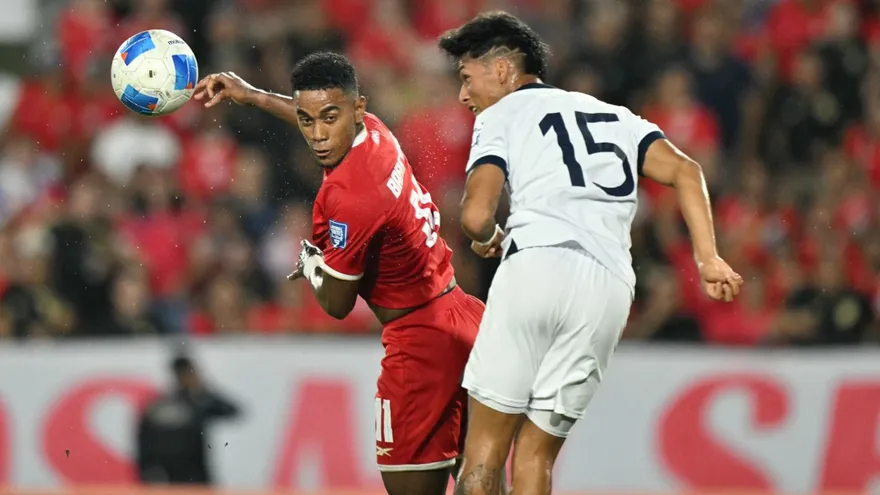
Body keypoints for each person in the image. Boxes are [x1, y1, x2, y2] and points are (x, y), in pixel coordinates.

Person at [437, 11, 745, 495]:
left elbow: (475, 216)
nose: (463, 94)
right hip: (607, 288)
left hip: (536, 266)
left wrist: (489, 235)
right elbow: (687, 171)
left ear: (502, 69)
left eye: (466, 77)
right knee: (536, 454)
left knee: (484, 449)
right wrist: (709, 258)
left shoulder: (501, 114)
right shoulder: (617, 116)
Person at [193, 52, 485, 495]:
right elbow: (319, 112)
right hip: (462, 314)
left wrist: (311, 263)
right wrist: (253, 96)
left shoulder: (352, 197)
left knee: (409, 488)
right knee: (479, 476)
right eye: (307, 120)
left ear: (357, 108)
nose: (317, 135)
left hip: (421, 341)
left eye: (328, 119)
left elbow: (337, 303)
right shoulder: (376, 131)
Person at [136, 355, 240, 485]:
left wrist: (203, 391)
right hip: (174, 477)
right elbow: (145, 442)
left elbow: (233, 412)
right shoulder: (165, 405)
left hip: (194, 476)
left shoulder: (199, 401)